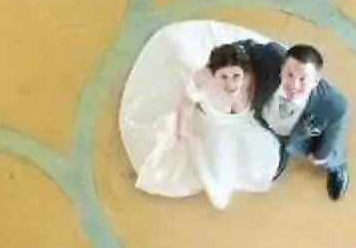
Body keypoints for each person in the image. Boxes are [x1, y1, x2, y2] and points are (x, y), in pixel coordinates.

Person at [117, 19, 281, 209]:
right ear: (213, 74)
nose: (231, 84)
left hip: (239, 126)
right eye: (224, 77)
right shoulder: (203, 80)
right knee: (217, 165)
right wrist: (180, 130)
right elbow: (184, 105)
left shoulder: (249, 81)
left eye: (236, 76)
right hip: (213, 127)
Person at [253, 42, 351, 202]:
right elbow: (246, 48)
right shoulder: (269, 55)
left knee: (330, 155)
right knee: (277, 139)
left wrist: (322, 154)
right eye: (289, 75)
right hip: (272, 124)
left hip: (305, 137)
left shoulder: (333, 104)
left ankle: (336, 168)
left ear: (316, 81)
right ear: (281, 69)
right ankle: (284, 149)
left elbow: (333, 133)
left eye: (303, 79)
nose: (294, 85)